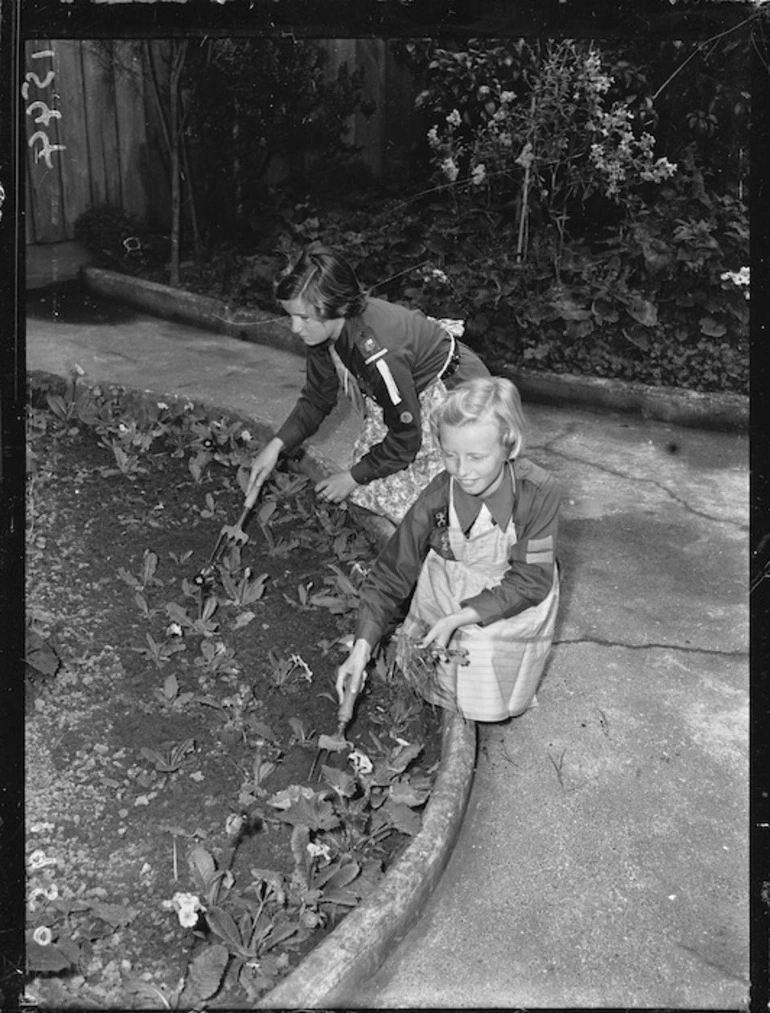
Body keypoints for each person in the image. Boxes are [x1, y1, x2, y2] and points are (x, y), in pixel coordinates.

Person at [336, 377, 561, 723]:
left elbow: (532, 579)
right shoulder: (441, 493)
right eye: (450, 456)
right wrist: (362, 645)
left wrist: (460, 617)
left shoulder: (538, 492)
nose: (462, 471)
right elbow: (392, 570)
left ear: (509, 446)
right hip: (457, 578)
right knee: (433, 655)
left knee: (480, 652)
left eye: (476, 457)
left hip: (516, 591)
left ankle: (486, 700)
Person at [244, 243, 489, 524]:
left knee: (420, 506)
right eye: (291, 316)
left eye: (303, 318)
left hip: (455, 394)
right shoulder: (325, 329)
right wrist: (275, 446)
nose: (294, 328)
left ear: (334, 308)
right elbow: (317, 398)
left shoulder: (376, 353)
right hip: (406, 390)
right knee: (369, 484)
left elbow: (406, 438)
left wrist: (352, 478)